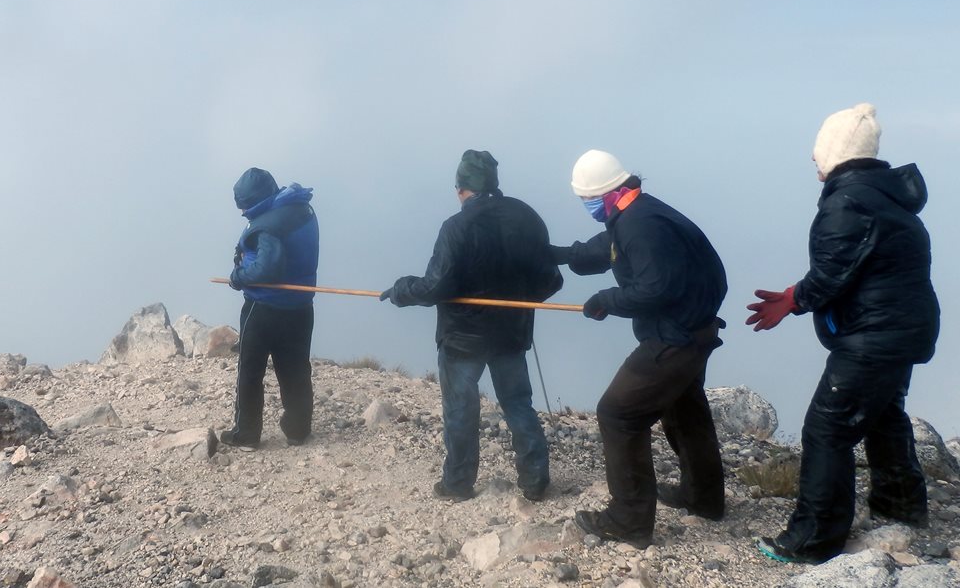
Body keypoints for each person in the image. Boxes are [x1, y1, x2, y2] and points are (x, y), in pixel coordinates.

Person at [749, 103, 940, 564]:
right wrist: (798, 294)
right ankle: (900, 508)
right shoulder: (884, 196)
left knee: (826, 429)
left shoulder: (847, 201)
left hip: (874, 335)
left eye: (819, 151)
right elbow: (855, 266)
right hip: (902, 328)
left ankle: (814, 541)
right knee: (883, 414)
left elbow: (834, 272)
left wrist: (795, 299)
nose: (814, 159)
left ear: (835, 152)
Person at [555, 150, 728, 549]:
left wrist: (606, 300)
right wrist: (558, 255)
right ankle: (703, 499)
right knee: (685, 409)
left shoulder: (639, 225)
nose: (587, 206)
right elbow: (607, 249)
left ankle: (628, 520)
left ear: (606, 193)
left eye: (587, 198)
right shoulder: (638, 213)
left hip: (674, 338)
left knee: (617, 414)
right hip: (695, 330)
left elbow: (655, 288)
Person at [380, 149, 562, 502]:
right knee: (518, 404)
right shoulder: (527, 217)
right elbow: (551, 281)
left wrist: (402, 289)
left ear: (463, 188)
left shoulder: (456, 227)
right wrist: (520, 302)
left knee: (461, 409)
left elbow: (434, 287)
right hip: (512, 333)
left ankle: (458, 484)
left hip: (463, 339)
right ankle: (536, 481)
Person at [220, 167, 320, 449]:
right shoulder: (301, 208)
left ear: (253, 201)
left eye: (244, 206)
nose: (242, 212)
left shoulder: (267, 226)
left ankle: (246, 434)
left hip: (264, 308)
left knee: (250, 370)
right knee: (296, 368)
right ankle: (298, 429)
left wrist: (238, 276)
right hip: (301, 307)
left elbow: (268, 268)